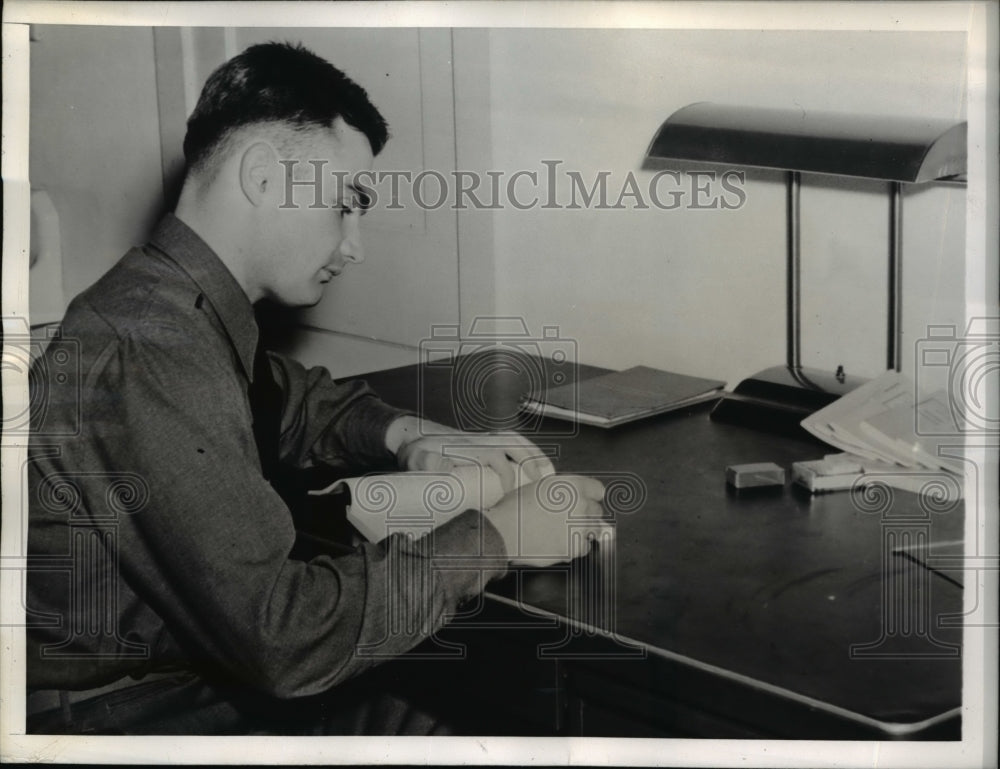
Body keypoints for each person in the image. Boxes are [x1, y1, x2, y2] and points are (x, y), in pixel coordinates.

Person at [25, 41, 611, 735]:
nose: (355, 243)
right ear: (265, 176)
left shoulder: (175, 303)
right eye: (347, 204)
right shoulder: (153, 345)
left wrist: (408, 434)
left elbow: (284, 393)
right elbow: (285, 639)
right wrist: (500, 535)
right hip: (127, 715)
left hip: (173, 683)